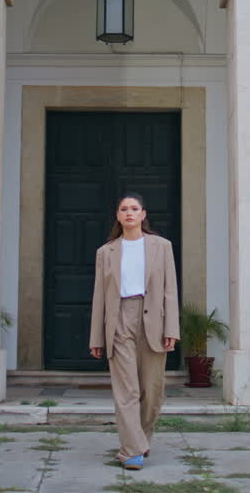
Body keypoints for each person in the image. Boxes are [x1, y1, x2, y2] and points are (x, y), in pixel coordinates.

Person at [89, 193, 179, 470]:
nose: (129, 213)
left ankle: (141, 440)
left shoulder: (161, 246)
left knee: (151, 391)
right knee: (126, 390)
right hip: (119, 320)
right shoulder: (106, 252)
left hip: (153, 318)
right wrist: (96, 336)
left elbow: (170, 290)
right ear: (117, 216)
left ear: (143, 214)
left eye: (134, 208)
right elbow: (100, 296)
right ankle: (132, 451)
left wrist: (172, 328)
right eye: (124, 209)